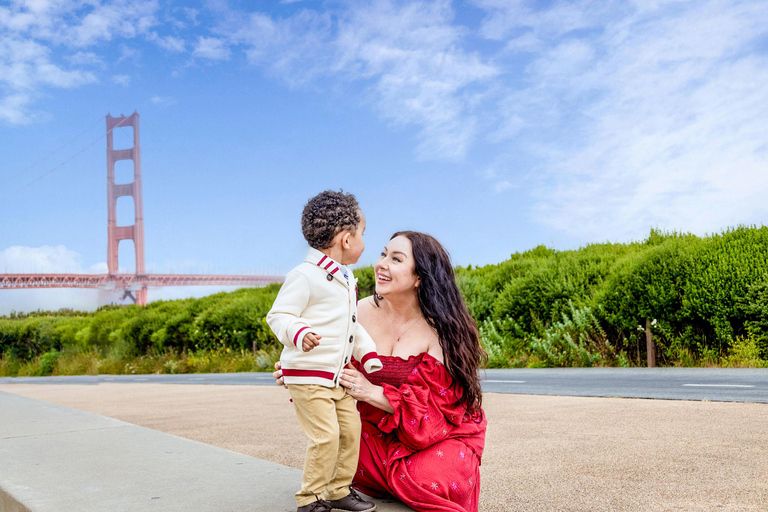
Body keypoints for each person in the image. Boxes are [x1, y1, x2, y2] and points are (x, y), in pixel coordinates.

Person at [276, 231, 488, 512]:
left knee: (429, 480)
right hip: (373, 431)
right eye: (383, 254)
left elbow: (436, 410)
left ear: (419, 277)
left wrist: (371, 391)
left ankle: (396, 480)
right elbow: (320, 356)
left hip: (437, 432)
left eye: (396, 259)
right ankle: (385, 479)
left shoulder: (441, 329)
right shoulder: (354, 311)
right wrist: (299, 370)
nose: (381, 264)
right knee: (338, 450)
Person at [267, 190, 383, 512]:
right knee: (326, 437)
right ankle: (309, 498)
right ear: (347, 239)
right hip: (308, 376)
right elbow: (278, 315)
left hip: (338, 377)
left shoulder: (345, 278)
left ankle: (338, 490)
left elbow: (351, 324)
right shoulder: (304, 275)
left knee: (351, 431)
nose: (364, 241)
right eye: (363, 234)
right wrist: (298, 332)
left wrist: (367, 353)